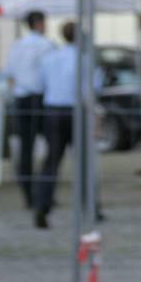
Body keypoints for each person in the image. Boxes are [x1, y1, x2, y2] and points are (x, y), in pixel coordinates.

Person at [6, 10, 56, 210]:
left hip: (22, 99)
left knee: (26, 149)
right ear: (39, 24)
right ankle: (44, 193)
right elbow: (51, 74)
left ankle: (29, 194)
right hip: (40, 99)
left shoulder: (17, 46)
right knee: (54, 145)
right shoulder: (47, 45)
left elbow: (10, 76)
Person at [33, 21, 80, 229]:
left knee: (51, 161)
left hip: (53, 111)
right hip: (74, 111)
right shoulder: (83, 58)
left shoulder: (50, 58)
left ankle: (42, 206)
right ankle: (91, 206)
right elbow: (92, 88)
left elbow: (41, 85)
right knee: (83, 161)